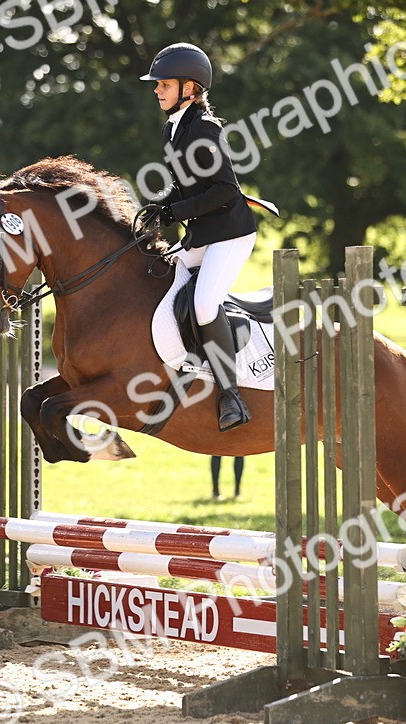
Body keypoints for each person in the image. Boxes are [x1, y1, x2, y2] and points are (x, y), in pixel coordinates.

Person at [141, 42, 258, 432]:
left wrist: (176, 211)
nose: (157, 89)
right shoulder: (173, 128)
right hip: (204, 233)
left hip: (229, 235)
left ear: (189, 88)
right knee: (160, 279)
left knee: (206, 305)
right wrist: (161, 205)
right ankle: (187, 367)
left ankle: (231, 396)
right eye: (156, 84)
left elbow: (225, 190)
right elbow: (188, 186)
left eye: (164, 84)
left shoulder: (205, 129)